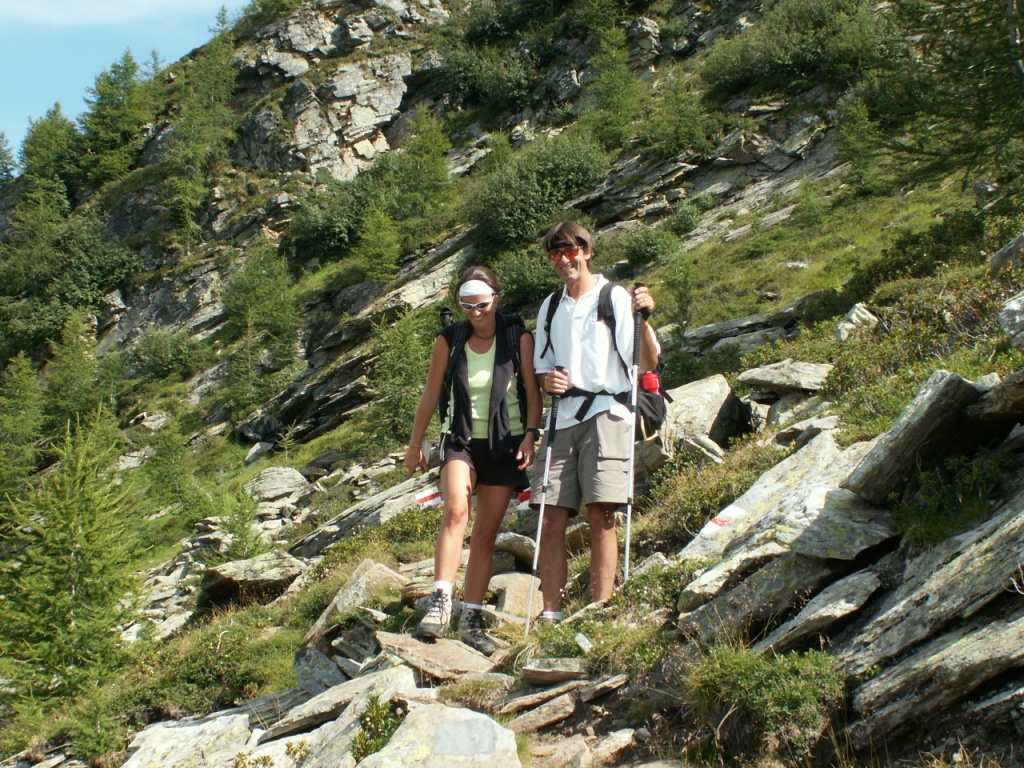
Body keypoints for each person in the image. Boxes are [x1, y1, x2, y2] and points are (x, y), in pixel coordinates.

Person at [404, 266, 542, 653]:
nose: (475, 313)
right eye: (466, 306)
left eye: (481, 304)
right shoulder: (450, 339)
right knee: (455, 510)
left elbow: (534, 392)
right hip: (459, 439)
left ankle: (472, 616)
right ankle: (441, 601)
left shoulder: (517, 336)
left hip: (505, 442)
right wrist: (415, 445)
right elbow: (431, 393)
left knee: (484, 534)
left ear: (496, 298)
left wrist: (531, 435)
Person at [531, 221, 660, 623]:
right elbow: (541, 367)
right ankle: (551, 615)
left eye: (570, 251)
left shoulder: (613, 296)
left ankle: (599, 610)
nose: (563, 260)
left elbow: (647, 363)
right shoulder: (550, 306)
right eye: (555, 254)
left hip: (608, 412)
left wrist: (644, 319)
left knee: (601, 513)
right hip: (563, 417)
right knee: (550, 516)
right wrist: (547, 381)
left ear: (586, 251)